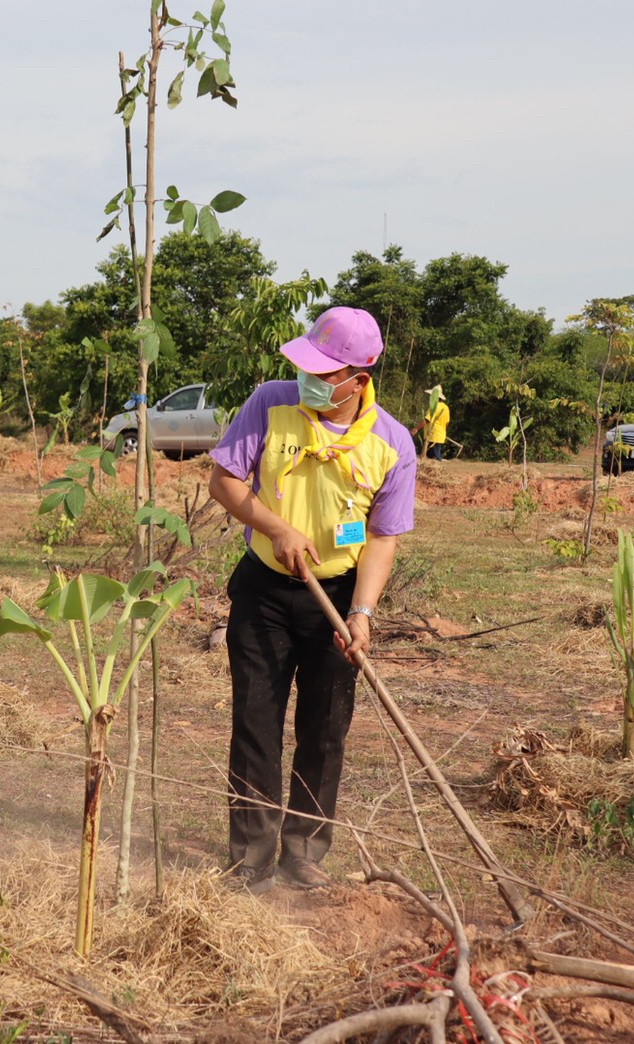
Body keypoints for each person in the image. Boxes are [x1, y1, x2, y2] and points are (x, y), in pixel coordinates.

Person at [207, 306, 416, 892]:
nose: (309, 380)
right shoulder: (269, 403)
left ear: (360, 376)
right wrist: (275, 527)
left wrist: (362, 613)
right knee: (255, 721)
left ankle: (303, 853)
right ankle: (250, 857)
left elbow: (382, 537)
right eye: (308, 367)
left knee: (325, 729)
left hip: (340, 596)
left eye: (325, 373)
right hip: (264, 591)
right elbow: (224, 481)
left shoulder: (392, 444)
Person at [411, 385, 451, 461]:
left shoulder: (434, 407)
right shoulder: (446, 407)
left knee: (435, 458)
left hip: (432, 436)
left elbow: (427, 420)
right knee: (432, 457)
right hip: (440, 435)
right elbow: (447, 423)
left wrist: (416, 429)